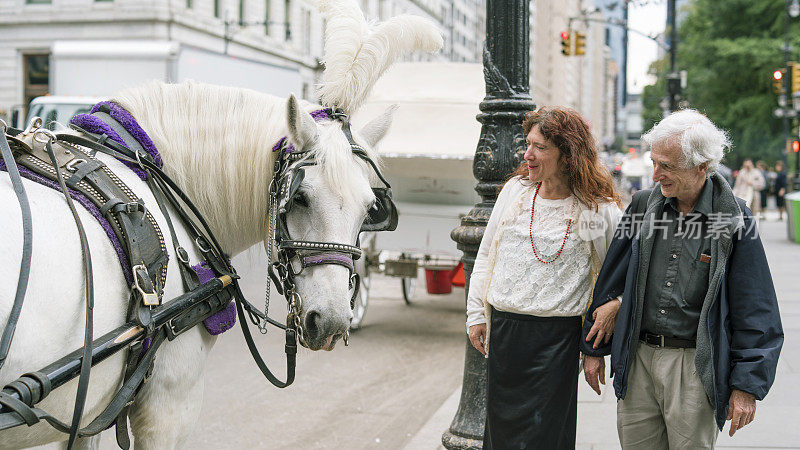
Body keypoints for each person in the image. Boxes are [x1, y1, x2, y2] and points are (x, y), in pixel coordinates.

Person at [581, 110, 783, 449]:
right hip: (638, 357)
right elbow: (611, 278)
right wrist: (593, 347)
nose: (656, 174)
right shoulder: (643, 206)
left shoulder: (732, 218)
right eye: (655, 162)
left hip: (694, 367)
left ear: (701, 167)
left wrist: (747, 385)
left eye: (667, 166)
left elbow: (756, 306)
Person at [466, 106, 623, 449]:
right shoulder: (515, 192)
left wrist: (615, 304)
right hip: (506, 334)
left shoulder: (593, 208)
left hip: (557, 341)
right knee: (501, 437)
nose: (528, 154)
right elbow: (487, 254)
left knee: (545, 437)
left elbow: (621, 267)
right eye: (528, 143)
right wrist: (477, 313)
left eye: (540, 147)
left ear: (567, 155)